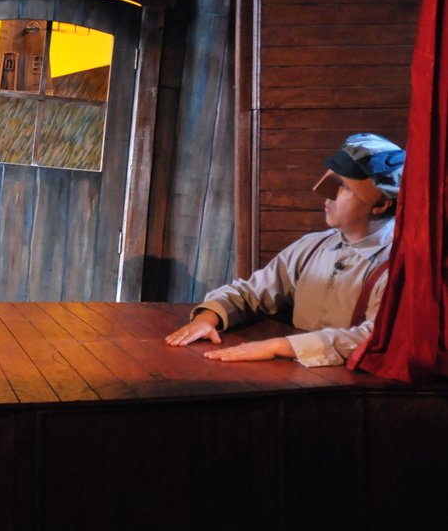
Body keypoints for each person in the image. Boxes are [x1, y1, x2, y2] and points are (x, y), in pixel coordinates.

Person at [165, 133, 404, 366]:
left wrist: (278, 346)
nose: (325, 192)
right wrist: (208, 318)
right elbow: (250, 292)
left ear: (382, 204)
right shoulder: (312, 247)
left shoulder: (399, 265)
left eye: (343, 186)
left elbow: (374, 337)